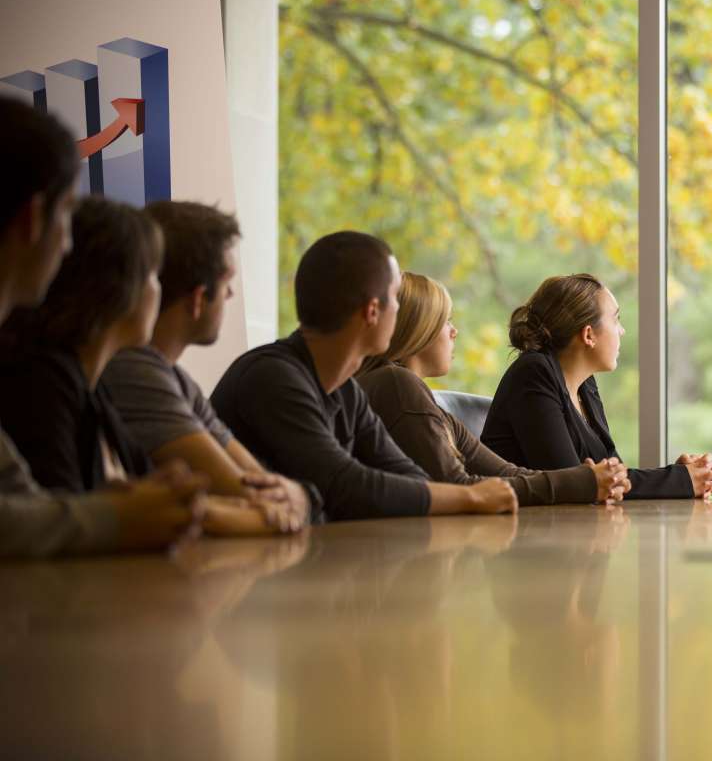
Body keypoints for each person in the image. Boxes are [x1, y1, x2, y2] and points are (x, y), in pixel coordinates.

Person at [0, 97, 202, 557]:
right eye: (67, 212)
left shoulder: (89, 388)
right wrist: (118, 515)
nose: (67, 244)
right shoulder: (37, 378)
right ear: (34, 219)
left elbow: (29, 504)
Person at [210, 231, 517, 519]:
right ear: (372, 311)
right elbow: (345, 487)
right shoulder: (271, 378)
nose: (399, 309)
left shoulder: (345, 390)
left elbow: (410, 477)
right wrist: (470, 498)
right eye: (396, 298)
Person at [101, 201, 312, 532]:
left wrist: (295, 496)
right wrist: (289, 503)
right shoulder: (132, 369)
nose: (229, 294)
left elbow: (262, 487)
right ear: (198, 298)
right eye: (227, 281)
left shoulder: (177, 379)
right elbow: (247, 495)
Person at [356, 271, 630, 506]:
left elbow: (506, 471)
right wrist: (584, 481)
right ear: (418, 329)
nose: (454, 332)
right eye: (445, 320)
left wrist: (589, 480)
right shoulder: (397, 384)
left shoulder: (428, 407)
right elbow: (459, 485)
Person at [480, 273, 712, 499]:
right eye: (616, 319)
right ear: (589, 335)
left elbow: (612, 475)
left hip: (567, 530)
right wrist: (680, 480)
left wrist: (679, 475)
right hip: (521, 536)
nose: (622, 331)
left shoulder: (586, 385)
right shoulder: (533, 373)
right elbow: (575, 484)